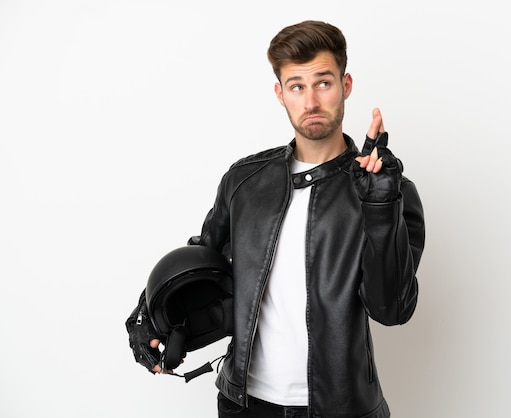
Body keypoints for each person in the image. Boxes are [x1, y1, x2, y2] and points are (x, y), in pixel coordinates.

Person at [143, 20, 425, 418]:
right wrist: (154, 321)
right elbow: (203, 266)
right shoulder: (245, 181)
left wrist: (381, 206)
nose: (310, 101)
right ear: (280, 93)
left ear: (345, 85)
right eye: (297, 86)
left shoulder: (389, 191)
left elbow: (391, 309)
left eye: (323, 83)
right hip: (243, 405)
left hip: (341, 410)